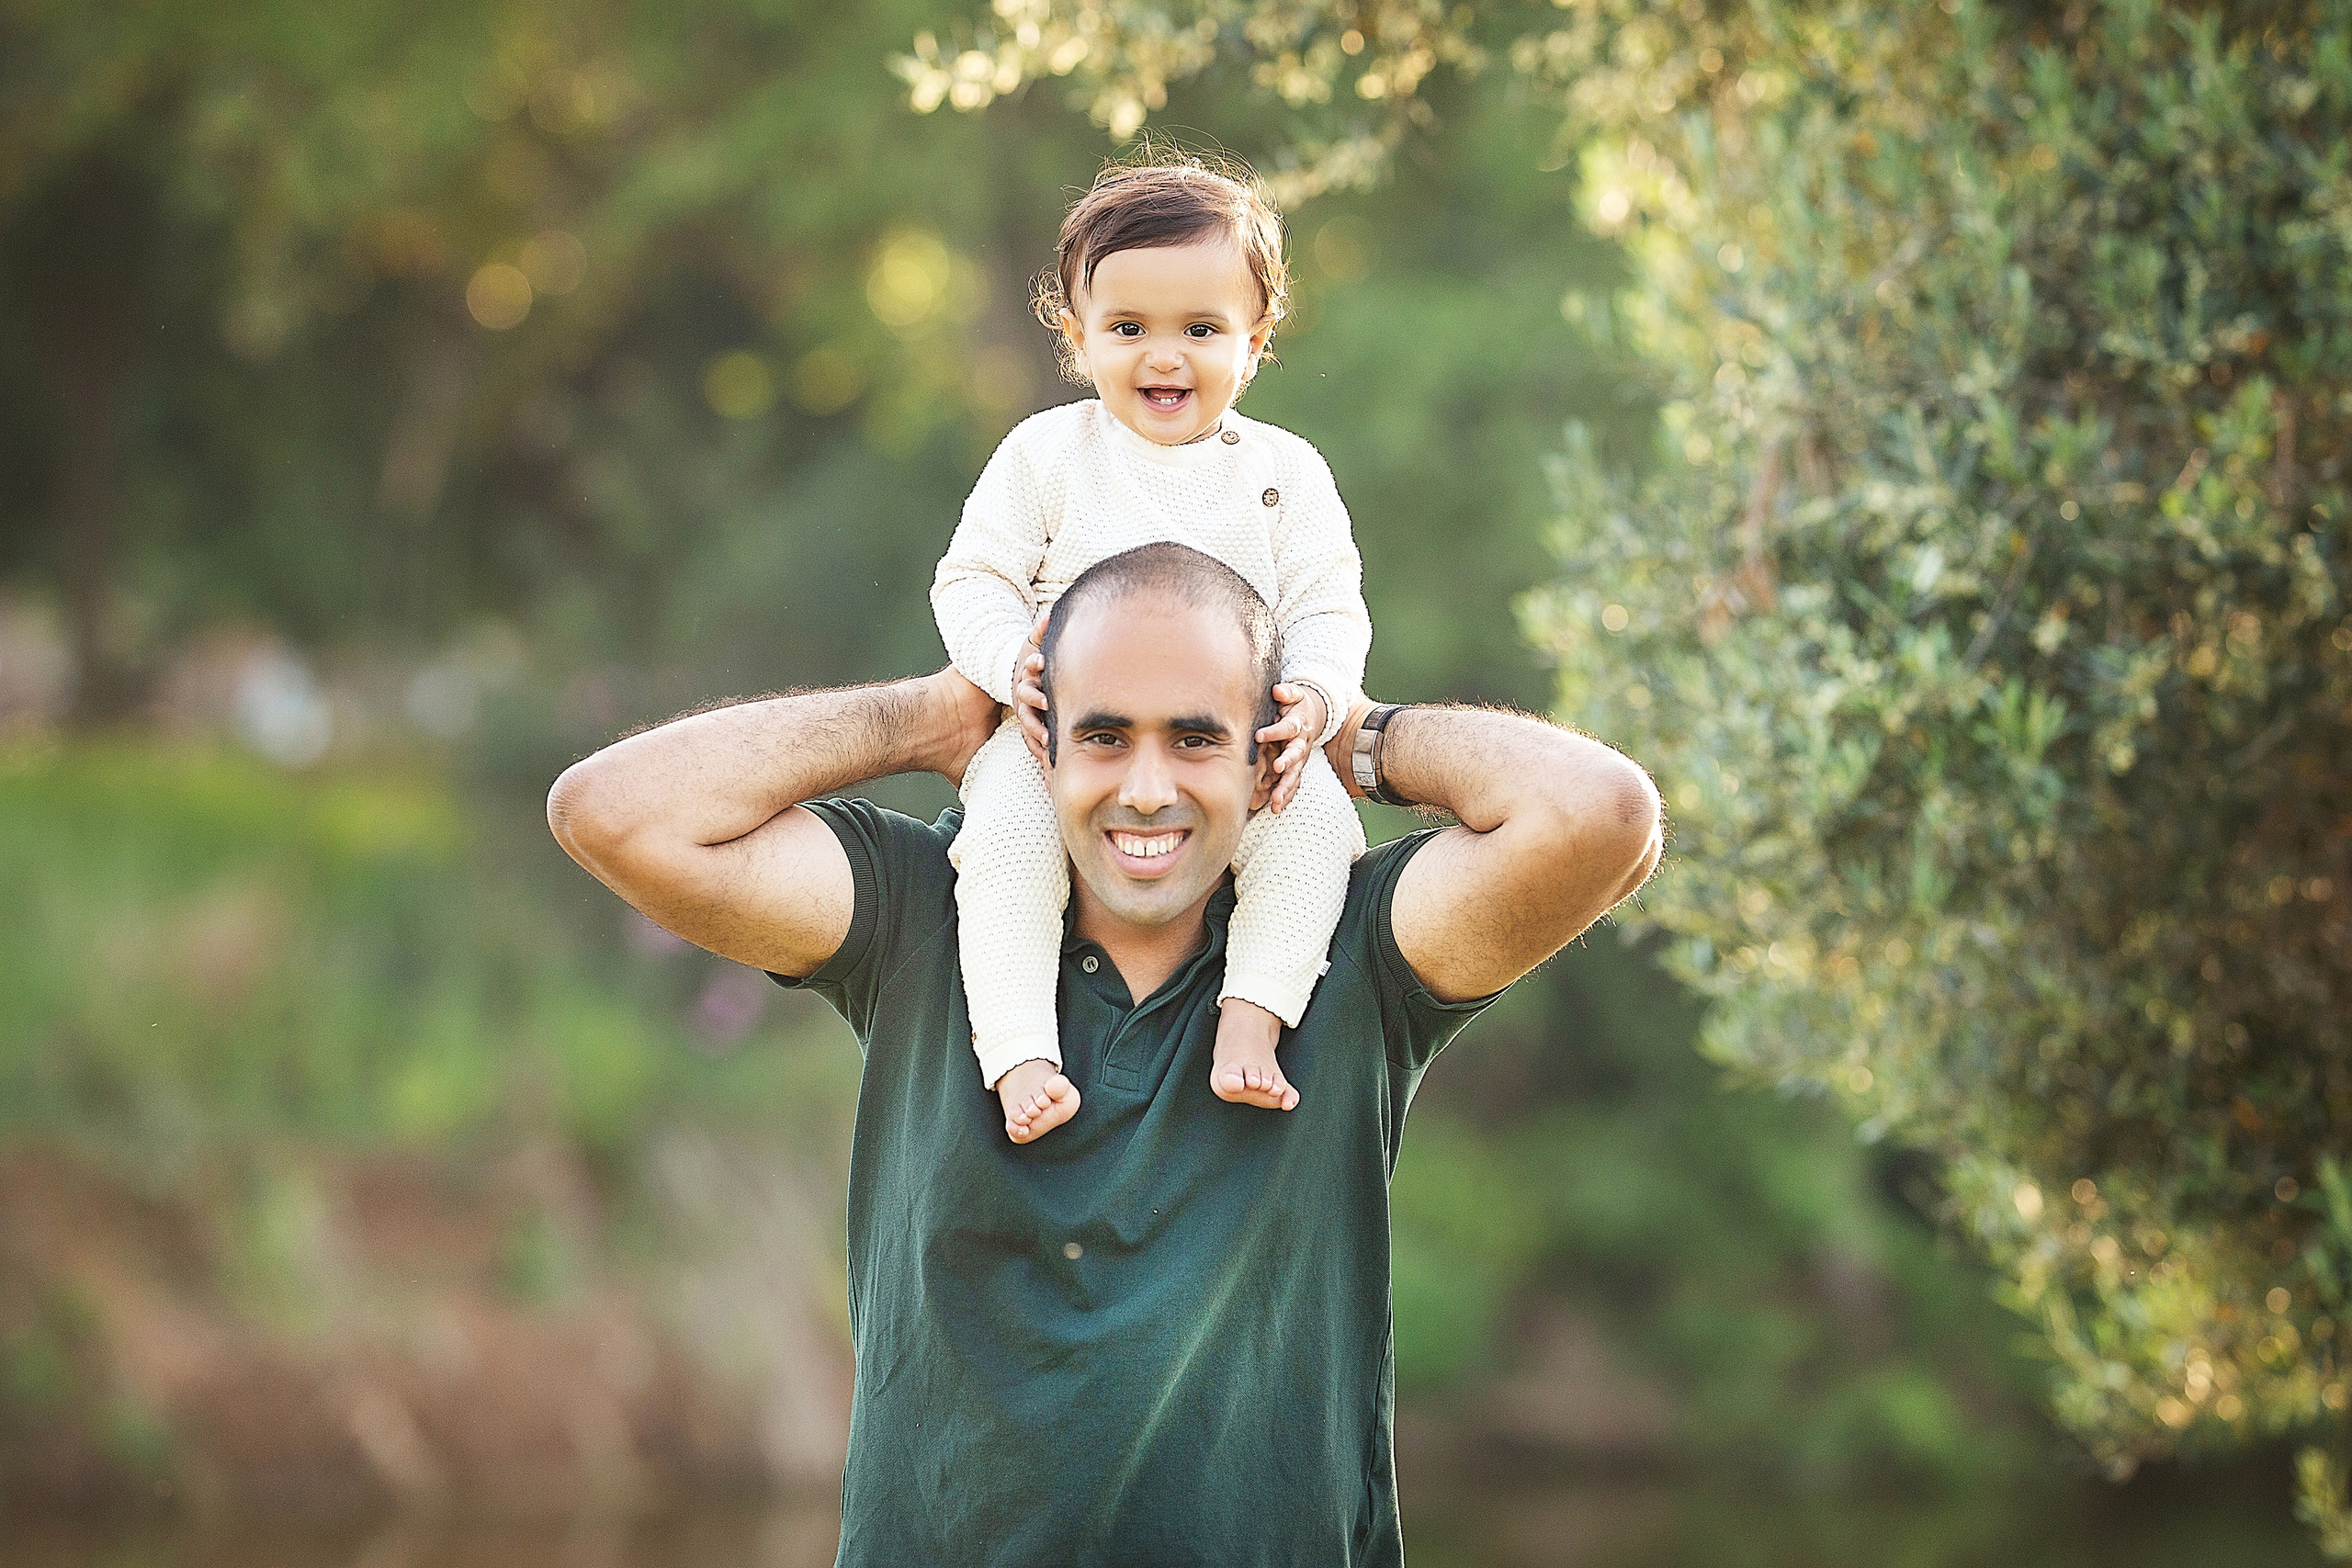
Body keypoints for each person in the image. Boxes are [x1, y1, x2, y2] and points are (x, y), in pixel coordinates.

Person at [547, 542, 1662, 1566]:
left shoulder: (1346, 951)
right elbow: (614, 813)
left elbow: (1601, 817)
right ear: (1041, 739)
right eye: (1101, 733)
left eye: (1195, 736)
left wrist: (1351, 735)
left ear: (1260, 750)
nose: (1145, 788)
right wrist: (929, 717)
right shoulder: (922, 919)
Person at [933, 152, 1370, 1144]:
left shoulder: (1284, 474)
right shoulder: (1048, 456)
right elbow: (972, 580)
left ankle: (1251, 1018)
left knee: (1315, 837)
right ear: (1078, 335)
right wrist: (1010, 666)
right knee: (1000, 849)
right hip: (1058, 741)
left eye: (1201, 330)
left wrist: (1317, 694)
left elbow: (1328, 605)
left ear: (1254, 344)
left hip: (1237, 753)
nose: (1163, 357)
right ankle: (1018, 1054)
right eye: (1128, 329)